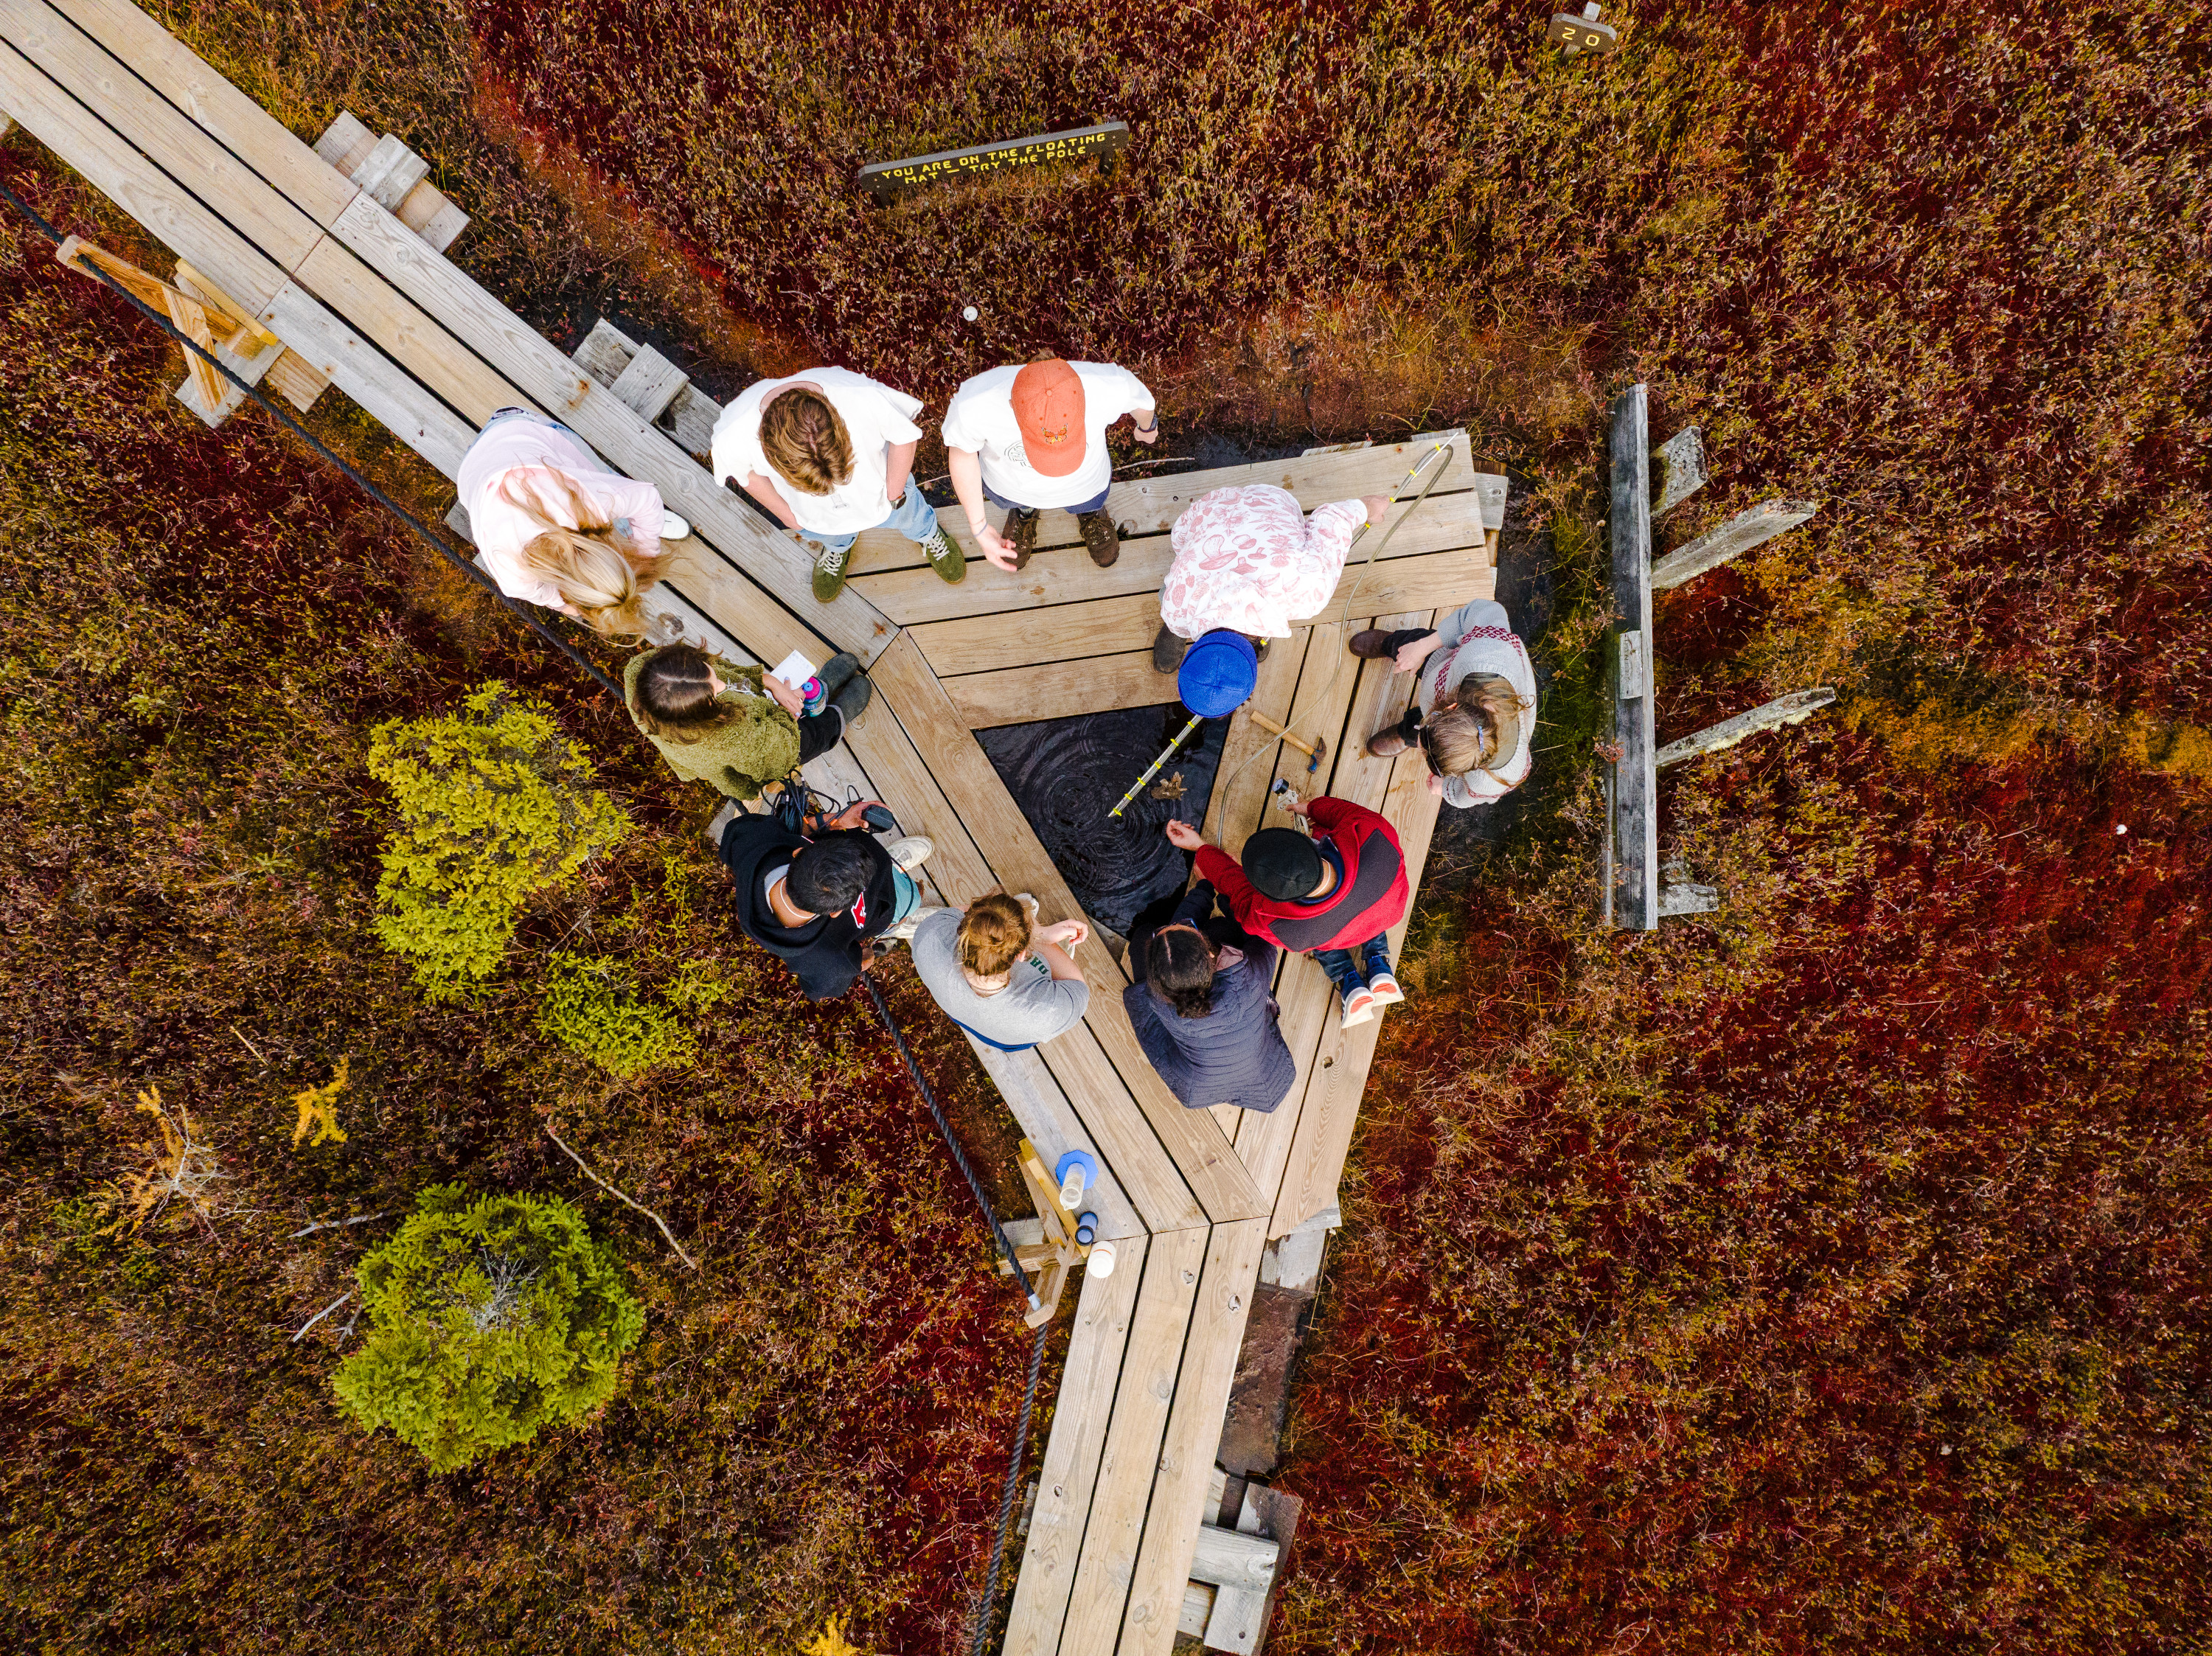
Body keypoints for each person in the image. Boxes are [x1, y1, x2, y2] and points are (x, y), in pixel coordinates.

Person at [711, 368, 964, 602]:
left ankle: (927, 534)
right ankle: (837, 546)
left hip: (884, 497)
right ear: (767, 449)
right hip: (813, 517)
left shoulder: (862, 397)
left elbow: (905, 436)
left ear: (839, 419)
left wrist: (894, 493)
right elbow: (746, 475)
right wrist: (790, 518)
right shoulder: (733, 434)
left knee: (911, 516)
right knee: (832, 535)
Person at [1166, 793, 1408, 1029]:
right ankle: (1378, 963)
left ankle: (1349, 979)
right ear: (1310, 844)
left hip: (1331, 934)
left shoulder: (1280, 926)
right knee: (1366, 907)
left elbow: (1237, 892)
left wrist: (1200, 847)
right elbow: (1343, 812)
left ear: (1272, 894)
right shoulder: (1373, 831)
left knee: (1319, 941)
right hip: (1386, 911)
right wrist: (1312, 807)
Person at [456, 408, 686, 636]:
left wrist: (646, 552)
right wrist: (563, 604)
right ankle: (633, 523)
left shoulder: (585, 501)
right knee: (605, 487)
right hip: (473, 470)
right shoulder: (513, 571)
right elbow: (539, 594)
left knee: (604, 481)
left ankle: (631, 520)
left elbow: (646, 498)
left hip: (521, 427)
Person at [708, 799, 939, 1001]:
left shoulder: (755, 843)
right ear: (837, 912)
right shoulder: (826, 960)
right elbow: (838, 977)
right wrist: (868, 951)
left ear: (798, 852)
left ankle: (889, 866)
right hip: (885, 905)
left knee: (886, 870)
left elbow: (739, 837)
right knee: (913, 897)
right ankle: (897, 923)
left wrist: (839, 820)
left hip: (866, 888)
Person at [941, 356, 1158, 572]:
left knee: (1089, 501)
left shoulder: (1107, 385)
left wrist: (1148, 426)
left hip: (1085, 487)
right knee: (1020, 502)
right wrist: (978, 527)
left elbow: (1142, 403)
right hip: (1013, 488)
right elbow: (961, 451)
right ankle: (1025, 512)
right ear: (1011, 405)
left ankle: (1089, 512)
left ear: (1085, 395)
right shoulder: (977, 402)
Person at [1152, 484, 1394, 672]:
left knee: (1175, 602)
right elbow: (1331, 520)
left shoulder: (1308, 592)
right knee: (1173, 601)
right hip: (1216, 508)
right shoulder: (1177, 604)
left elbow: (1334, 518)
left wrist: (1366, 508)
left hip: (1240, 507)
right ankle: (1180, 630)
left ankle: (1180, 630)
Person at [1122, 880, 1298, 1113]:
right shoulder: (1251, 976)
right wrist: (1227, 897)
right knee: (1221, 928)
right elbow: (1261, 936)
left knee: (1142, 936)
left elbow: (1150, 1017)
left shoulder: (1159, 1001)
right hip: (1266, 1078)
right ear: (1209, 953)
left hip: (1197, 1087)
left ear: (1158, 979)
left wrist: (1202, 891)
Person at [625, 642, 872, 801]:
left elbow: (726, 677)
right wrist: (789, 712)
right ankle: (836, 718)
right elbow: (782, 753)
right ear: (699, 714)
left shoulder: (640, 671)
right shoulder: (732, 737)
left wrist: (773, 684)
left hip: (750, 734)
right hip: (767, 754)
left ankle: (817, 694)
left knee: (803, 699)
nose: (723, 685)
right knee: (809, 737)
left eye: (708, 671)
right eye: (716, 693)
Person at [1350, 599, 1537, 807]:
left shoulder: (1496, 779)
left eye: (1424, 751)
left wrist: (1446, 788)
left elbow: (1466, 795)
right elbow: (1485, 610)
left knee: (1419, 729)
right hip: (1446, 660)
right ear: (1451, 706)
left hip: (1444, 700)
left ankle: (1407, 733)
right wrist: (1421, 648)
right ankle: (1389, 644)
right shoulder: (1486, 654)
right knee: (1408, 644)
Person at [911, 891, 1091, 1052]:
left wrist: (1029, 933)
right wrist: (1040, 936)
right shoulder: (1046, 1011)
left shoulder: (930, 934)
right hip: (1010, 1037)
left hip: (967, 1016)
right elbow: (1075, 984)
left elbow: (962, 913)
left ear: (966, 931)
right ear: (1022, 953)